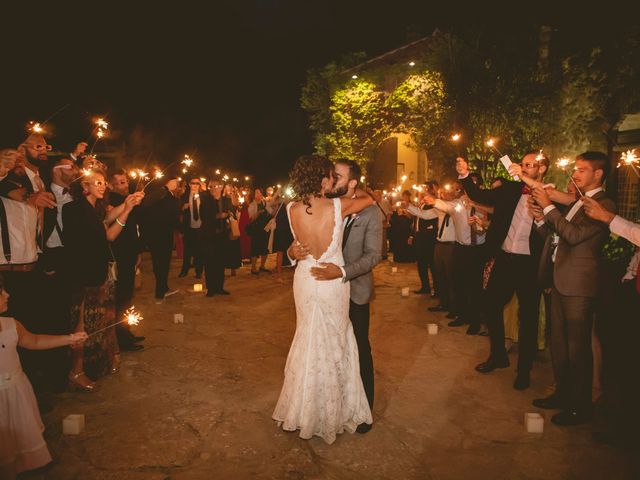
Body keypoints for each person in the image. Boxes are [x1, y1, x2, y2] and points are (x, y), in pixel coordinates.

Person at [273, 155, 373, 444]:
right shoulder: (338, 205)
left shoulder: (291, 208)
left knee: (306, 338)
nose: (332, 180)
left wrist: (293, 253)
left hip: (305, 279)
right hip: (331, 283)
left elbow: (291, 250)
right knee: (334, 340)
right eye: (329, 175)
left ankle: (303, 410)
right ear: (321, 178)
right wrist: (351, 186)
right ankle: (333, 411)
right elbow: (369, 199)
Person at [530, 151, 616, 426]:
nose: (575, 174)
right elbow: (559, 236)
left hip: (579, 285)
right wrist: (541, 220)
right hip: (559, 279)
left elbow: (574, 235)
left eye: (582, 169)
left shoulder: (604, 203)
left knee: (578, 349)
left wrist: (548, 207)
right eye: (575, 169)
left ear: (598, 174)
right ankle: (562, 394)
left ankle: (580, 407)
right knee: (559, 344)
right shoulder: (579, 201)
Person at [457, 153, 548, 390]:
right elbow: (480, 195)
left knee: (527, 318)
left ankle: (524, 370)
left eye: (530, 165)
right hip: (505, 258)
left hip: (530, 264)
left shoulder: (551, 195)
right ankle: (498, 355)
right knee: (490, 304)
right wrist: (465, 174)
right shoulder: (511, 190)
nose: (525, 168)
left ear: (543, 169)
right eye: (523, 164)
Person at [0, 276, 88, 480]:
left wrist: (70, 338)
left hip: (16, 393)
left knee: (16, 444)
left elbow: (35, 341)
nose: (8, 294)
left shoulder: (11, 324)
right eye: (1, 291)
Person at [63, 170, 144, 387]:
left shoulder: (95, 209)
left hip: (100, 272)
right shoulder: (72, 209)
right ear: (84, 187)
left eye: (102, 182)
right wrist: (125, 209)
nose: (102, 186)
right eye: (96, 182)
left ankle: (99, 363)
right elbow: (103, 233)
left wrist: (128, 207)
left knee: (101, 322)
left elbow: (109, 229)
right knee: (81, 324)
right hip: (83, 274)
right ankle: (77, 371)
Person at [108, 169, 144, 352]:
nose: (125, 185)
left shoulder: (129, 200)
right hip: (119, 256)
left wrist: (138, 251)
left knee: (128, 297)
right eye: (120, 182)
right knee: (120, 298)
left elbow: (134, 228)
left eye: (125, 181)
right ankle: (121, 339)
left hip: (130, 254)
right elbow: (110, 220)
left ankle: (126, 332)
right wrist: (127, 204)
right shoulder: (112, 201)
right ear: (111, 185)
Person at [139, 177, 181, 304]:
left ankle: (164, 288)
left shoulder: (170, 197)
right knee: (160, 263)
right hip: (156, 235)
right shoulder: (158, 194)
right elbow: (147, 202)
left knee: (164, 263)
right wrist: (167, 188)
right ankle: (159, 293)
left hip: (166, 234)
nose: (177, 185)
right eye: (175, 183)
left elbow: (174, 217)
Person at [200, 179, 233, 296]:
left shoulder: (226, 200)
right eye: (210, 187)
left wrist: (230, 216)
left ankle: (219, 287)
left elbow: (232, 213)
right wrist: (217, 216)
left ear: (221, 187)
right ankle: (211, 289)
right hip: (209, 236)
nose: (213, 189)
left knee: (220, 262)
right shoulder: (206, 201)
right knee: (210, 262)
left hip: (222, 235)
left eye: (215, 186)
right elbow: (203, 216)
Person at [179, 177, 204, 278]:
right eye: (193, 183)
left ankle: (198, 272)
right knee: (187, 250)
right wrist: (182, 207)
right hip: (189, 227)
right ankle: (184, 270)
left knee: (199, 250)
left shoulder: (203, 196)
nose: (195, 185)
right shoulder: (185, 196)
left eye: (197, 183)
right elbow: (178, 209)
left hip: (200, 227)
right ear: (189, 184)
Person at [247, 188, 272, 274]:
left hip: (265, 228)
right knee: (255, 248)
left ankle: (262, 266)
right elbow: (250, 218)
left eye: (260, 193)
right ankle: (253, 268)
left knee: (264, 248)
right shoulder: (252, 205)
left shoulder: (264, 202)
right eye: (257, 193)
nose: (259, 194)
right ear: (253, 195)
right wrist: (258, 213)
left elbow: (271, 212)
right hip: (256, 229)